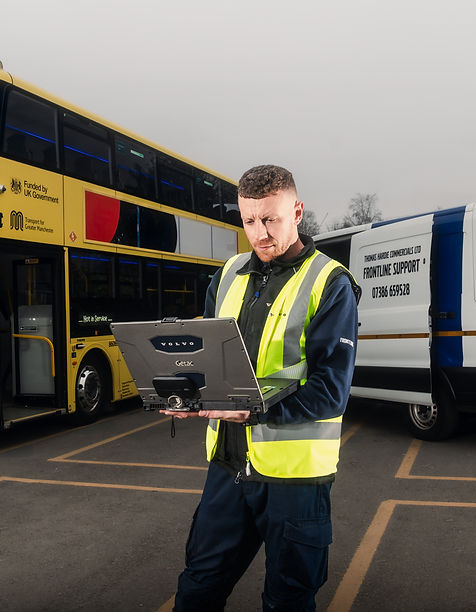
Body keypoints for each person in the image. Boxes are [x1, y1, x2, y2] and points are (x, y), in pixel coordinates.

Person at [165, 165, 360, 611]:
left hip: (294, 480)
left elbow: (331, 391)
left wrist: (252, 410)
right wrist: (184, 392)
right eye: (250, 220)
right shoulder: (229, 274)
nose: (260, 232)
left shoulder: (329, 283)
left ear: (297, 211)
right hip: (228, 467)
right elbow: (209, 360)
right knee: (197, 589)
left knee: (288, 601)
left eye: (270, 219)